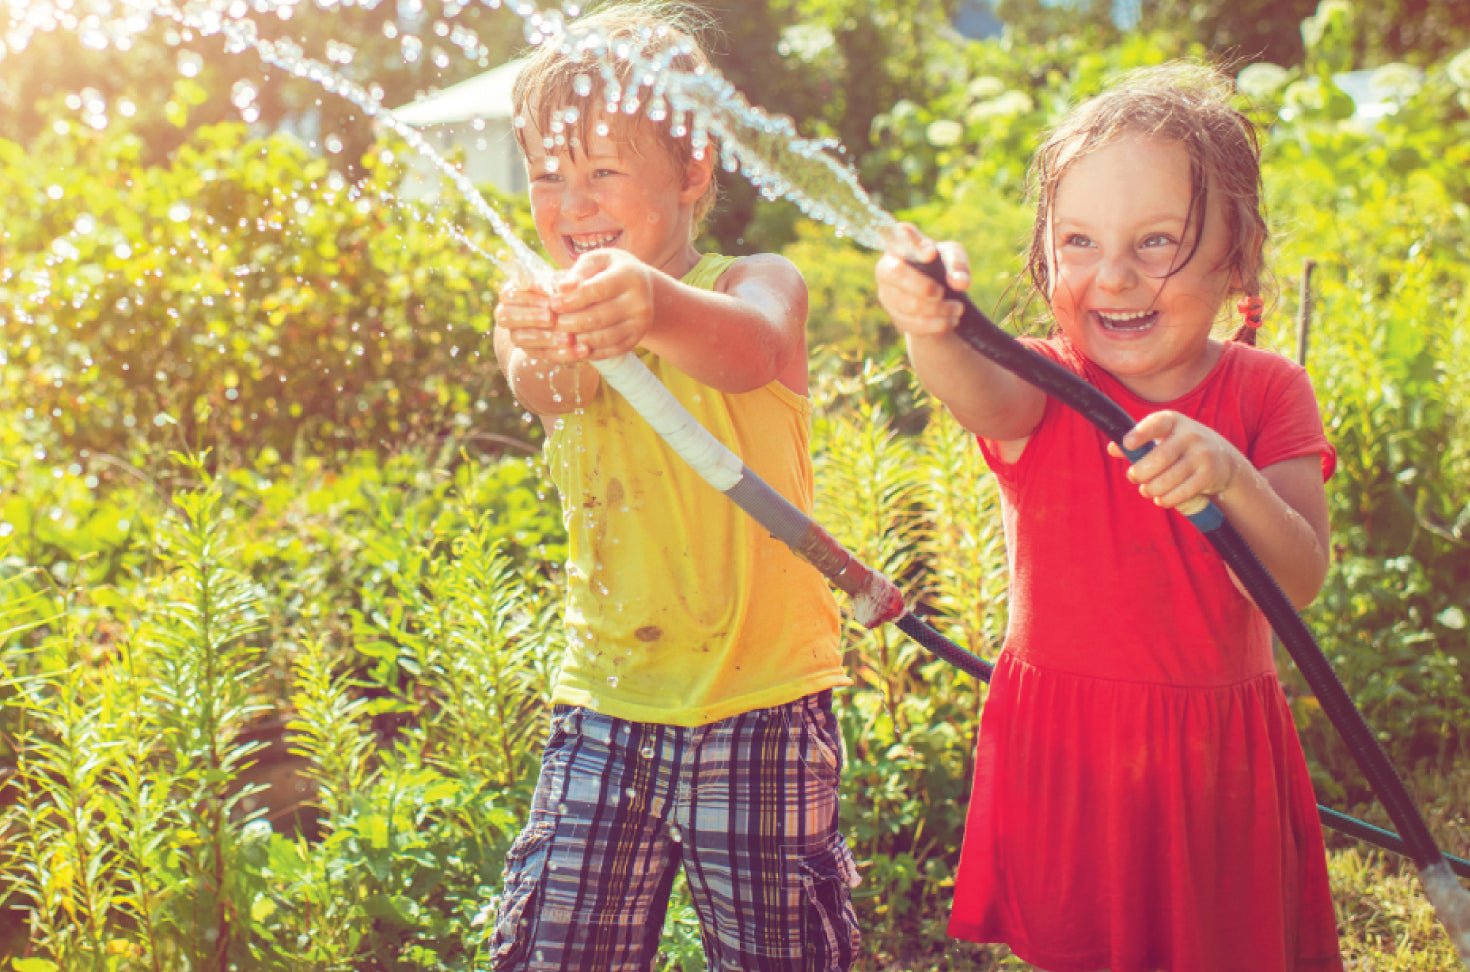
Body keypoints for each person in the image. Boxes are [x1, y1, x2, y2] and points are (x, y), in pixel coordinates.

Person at [875, 62, 1343, 972]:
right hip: (1071, 754)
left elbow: (1303, 576)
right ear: (1046, 254)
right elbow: (978, 393)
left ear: (1238, 256)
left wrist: (1232, 477)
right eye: (1079, 241)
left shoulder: (1269, 391)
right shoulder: (1045, 383)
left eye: (1157, 240)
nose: (1114, 276)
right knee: (1081, 946)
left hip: (1212, 756)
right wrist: (930, 326)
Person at [488, 3, 859, 970]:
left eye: (603, 171)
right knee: (560, 947)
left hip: (762, 704)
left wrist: (648, 304)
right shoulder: (540, 310)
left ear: (693, 168)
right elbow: (547, 384)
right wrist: (549, 328)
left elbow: (753, 353)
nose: (571, 206)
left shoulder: (756, 283)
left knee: (778, 954)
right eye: (546, 176)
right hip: (604, 705)